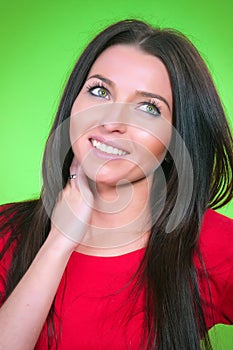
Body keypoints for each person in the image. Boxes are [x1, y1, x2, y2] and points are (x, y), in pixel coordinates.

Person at [0, 18, 233, 350]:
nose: (112, 122)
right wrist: (59, 242)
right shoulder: (6, 232)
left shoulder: (214, 245)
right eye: (99, 91)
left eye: (148, 108)